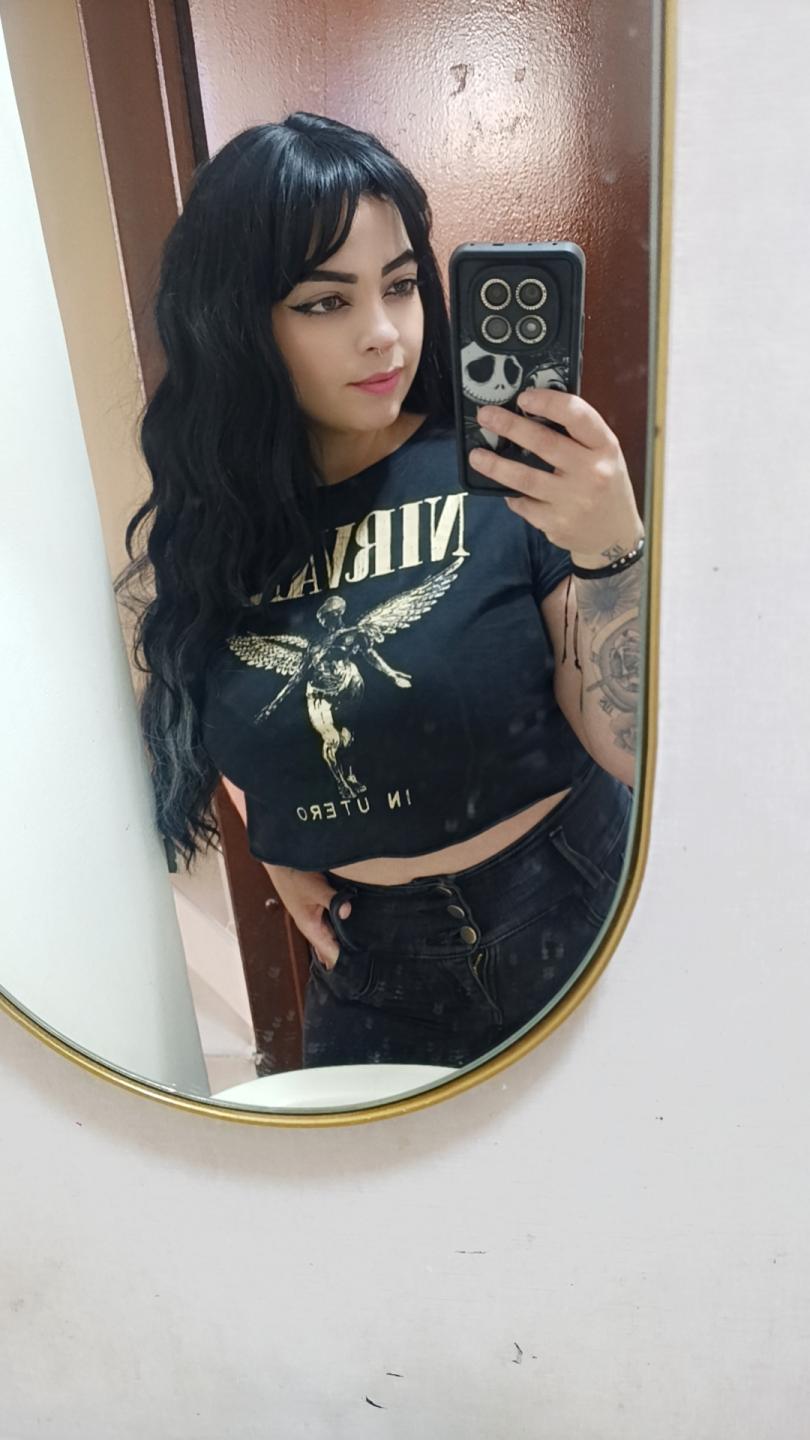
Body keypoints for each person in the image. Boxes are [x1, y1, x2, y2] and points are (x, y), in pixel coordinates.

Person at [115, 112, 646, 1072]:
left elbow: (635, 748)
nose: (384, 335)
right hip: (375, 966)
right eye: (325, 301)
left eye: (400, 286)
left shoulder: (503, 474)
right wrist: (282, 837)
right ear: (237, 323)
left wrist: (613, 549)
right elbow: (222, 702)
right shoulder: (218, 531)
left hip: (574, 905)